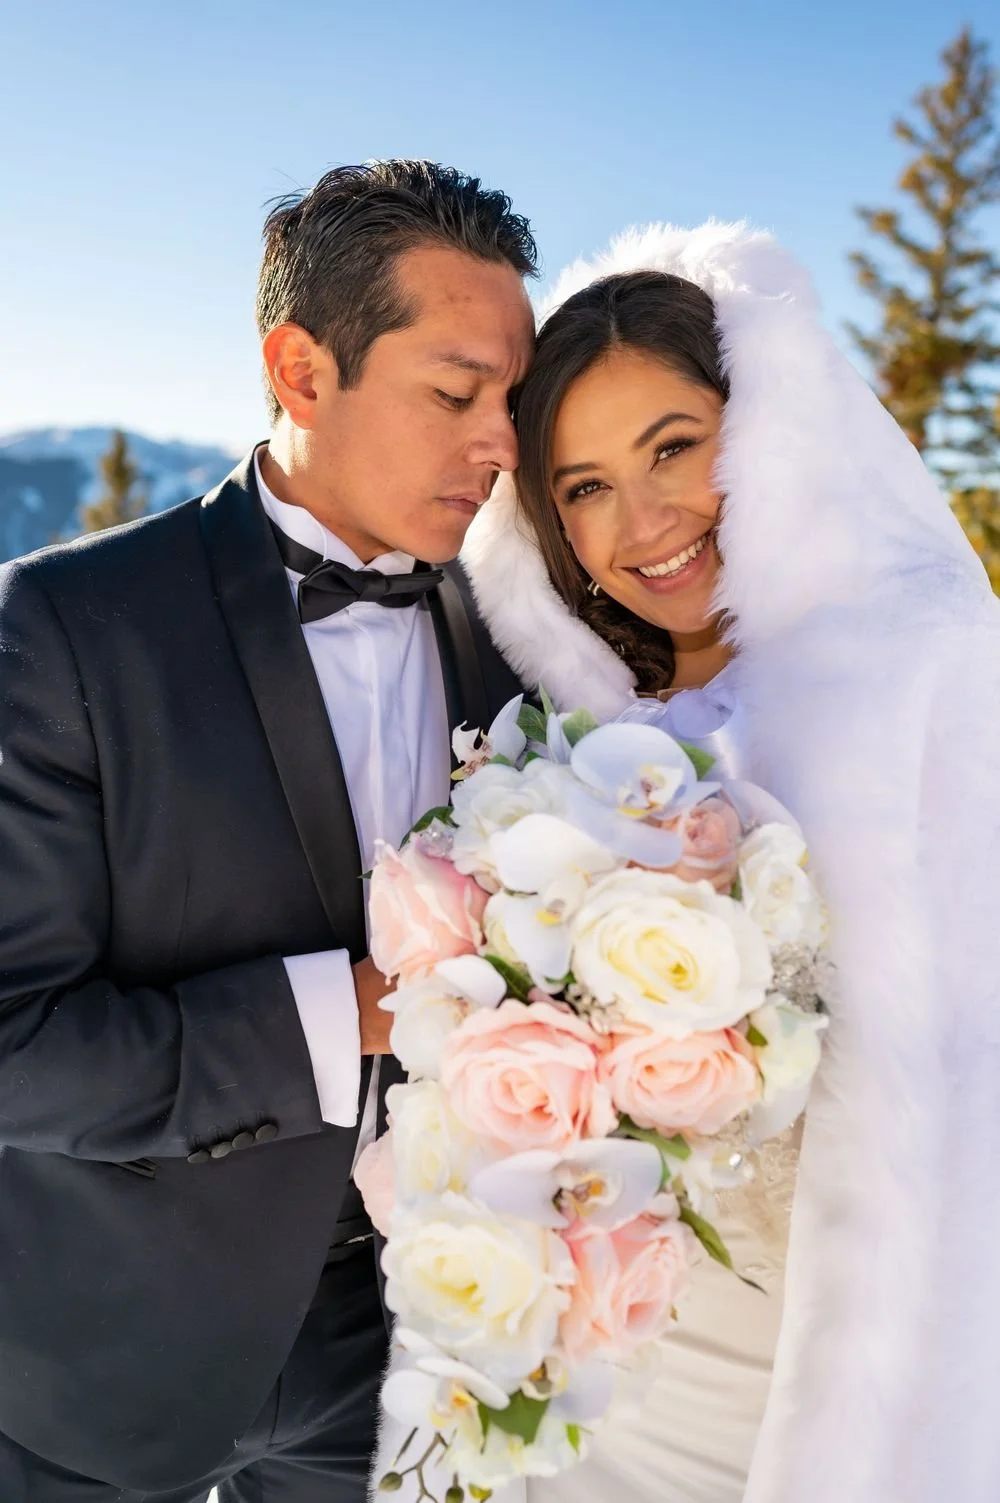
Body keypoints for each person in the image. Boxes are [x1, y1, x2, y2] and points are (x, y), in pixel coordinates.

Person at [0, 159, 534, 1502]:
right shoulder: (63, 627)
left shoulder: (523, 638)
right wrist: (339, 1011)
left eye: (513, 400)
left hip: (409, 1354)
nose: (503, 443)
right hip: (105, 1363)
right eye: (456, 391)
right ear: (302, 370)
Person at [459, 222, 1000, 1503]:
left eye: (674, 450)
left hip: (822, 1328)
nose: (642, 524)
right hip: (602, 1340)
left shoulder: (927, 678)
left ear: (764, 431)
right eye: (583, 487)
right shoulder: (558, 736)